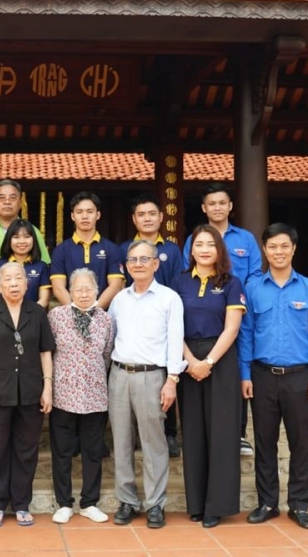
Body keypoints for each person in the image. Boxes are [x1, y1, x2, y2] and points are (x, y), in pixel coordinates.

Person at [239, 223, 308, 530]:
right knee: (265, 442)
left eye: (284, 246)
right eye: (272, 247)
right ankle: (267, 502)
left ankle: (300, 505)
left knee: (301, 443)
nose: (278, 252)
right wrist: (244, 374)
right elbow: (246, 334)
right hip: (262, 375)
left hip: (300, 377)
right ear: (264, 250)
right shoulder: (253, 289)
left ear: (293, 249)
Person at [170, 225, 246, 528]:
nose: (204, 250)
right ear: (191, 250)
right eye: (198, 244)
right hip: (187, 359)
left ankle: (218, 504)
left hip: (221, 360)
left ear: (219, 250)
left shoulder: (230, 282)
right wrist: (190, 361)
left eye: (210, 245)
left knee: (222, 432)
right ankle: (197, 503)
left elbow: (232, 328)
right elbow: (173, 327)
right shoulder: (179, 282)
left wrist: (209, 360)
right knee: (194, 431)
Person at [108, 240, 184, 529]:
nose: (138, 264)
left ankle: (155, 504)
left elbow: (175, 341)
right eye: (133, 259)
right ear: (126, 265)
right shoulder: (119, 299)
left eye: (144, 259)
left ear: (156, 263)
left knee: (153, 442)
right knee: (121, 441)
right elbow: (111, 336)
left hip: (153, 377)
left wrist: (172, 380)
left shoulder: (169, 299)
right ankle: (127, 500)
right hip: (119, 375)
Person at [0, 262, 54, 527]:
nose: (14, 283)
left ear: (27, 283)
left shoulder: (37, 313)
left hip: (31, 391)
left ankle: (21, 504)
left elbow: (45, 352)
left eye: (19, 277)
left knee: (26, 450)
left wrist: (48, 387)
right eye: (8, 279)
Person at [182, 182, 262, 456]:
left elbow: (253, 275)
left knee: (239, 367)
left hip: (237, 311)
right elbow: (189, 272)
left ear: (230, 206)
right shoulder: (195, 239)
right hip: (207, 312)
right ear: (204, 208)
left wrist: (236, 301)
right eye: (211, 203)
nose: (217, 207)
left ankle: (238, 432)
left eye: (222, 203)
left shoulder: (246, 239)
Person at [48, 268, 113, 525]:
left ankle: (89, 502)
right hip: (63, 393)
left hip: (95, 393)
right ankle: (64, 503)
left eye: (89, 289)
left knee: (93, 450)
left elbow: (106, 354)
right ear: (70, 292)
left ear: (97, 291)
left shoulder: (106, 320)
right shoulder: (56, 316)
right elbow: (48, 352)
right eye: (78, 289)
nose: (84, 293)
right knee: (62, 450)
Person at [121, 193, 183, 458]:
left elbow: (178, 283)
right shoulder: (125, 249)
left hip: (163, 316)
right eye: (141, 214)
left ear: (161, 217)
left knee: (163, 379)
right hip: (133, 319)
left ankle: (169, 434)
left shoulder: (171, 249)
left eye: (151, 214)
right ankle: (134, 435)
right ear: (134, 219)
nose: (147, 219)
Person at [50, 191, 124, 310]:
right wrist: (76, 313)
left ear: (98, 215)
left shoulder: (112, 249)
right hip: (71, 315)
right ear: (72, 216)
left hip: (103, 315)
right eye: (79, 212)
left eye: (90, 212)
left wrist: (94, 312)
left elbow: (115, 286)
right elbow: (58, 288)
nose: (85, 216)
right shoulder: (61, 250)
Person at [0, 179, 50, 281]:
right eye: (2, 198)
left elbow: (44, 263)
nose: (7, 202)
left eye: (12, 198)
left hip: (27, 293)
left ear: (20, 203)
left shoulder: (33, 231)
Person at [0, 218, 51, 308]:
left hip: (32, 318)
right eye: (16, 237)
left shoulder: (41, 266)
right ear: (9, 240)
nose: (22, 241)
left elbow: (44, 299)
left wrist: (30, 315)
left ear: (34, 240)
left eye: (27, 236)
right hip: (2, 318)